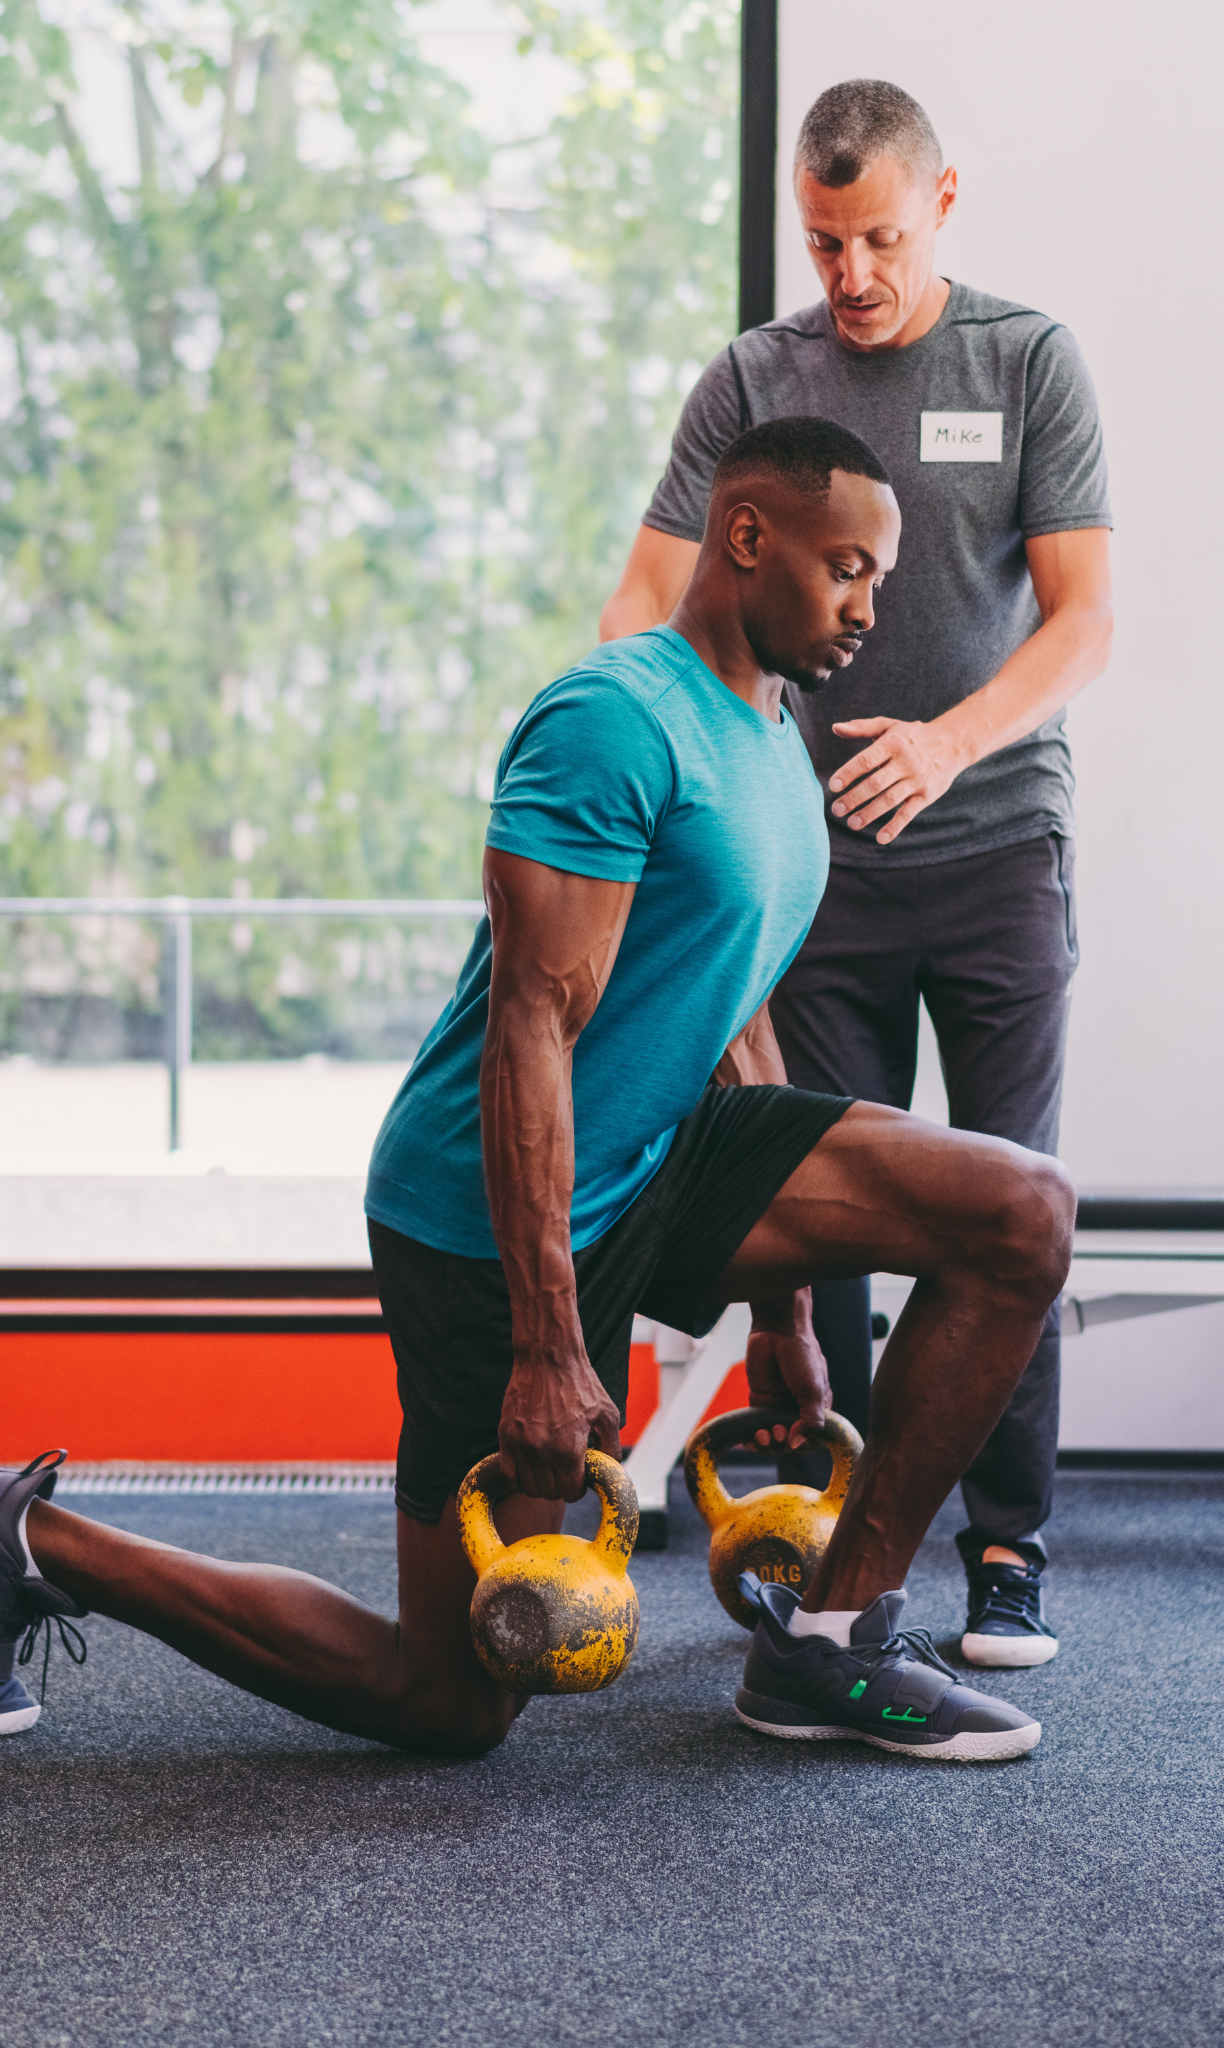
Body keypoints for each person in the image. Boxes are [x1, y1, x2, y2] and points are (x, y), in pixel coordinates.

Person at [0, 419, 1075, 1765]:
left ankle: (833, 1644)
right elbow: (531, 1023)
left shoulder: (767, 718)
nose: (874, 606)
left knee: (1019, 1213)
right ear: (747, 537)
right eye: (850, 569)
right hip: (488, 1212)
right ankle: (15, 1530)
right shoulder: (610, 722)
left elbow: (729, 984)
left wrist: (783, 1309)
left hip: (665, 1154)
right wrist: (545, 1340)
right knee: (450, 1701)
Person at [600, 80, 1113, 1670]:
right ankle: (838, 1544)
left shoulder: (1024, 362)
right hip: (811, 872)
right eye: (827, 241)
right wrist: (642, 751)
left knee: (1007, 1188)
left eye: (880, 235)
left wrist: (950, 746)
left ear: (941, 205)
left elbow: (1084, 620)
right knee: (822, 1212)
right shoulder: (759, 377)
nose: (854, 270)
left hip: (994, 850)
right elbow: (643, 594)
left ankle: (1008, 1551)